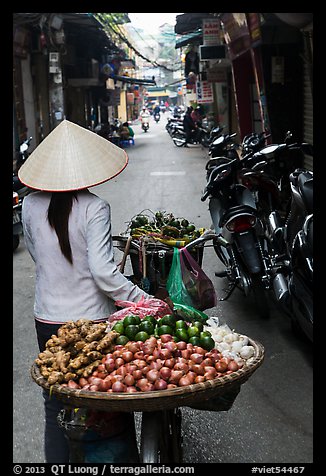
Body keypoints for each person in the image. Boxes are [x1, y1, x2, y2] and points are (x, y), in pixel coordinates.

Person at [18, 119, 170, 463]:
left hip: (48, 320)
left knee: (57, 400)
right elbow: (104, 274)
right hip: (93, 322)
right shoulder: (95, 207)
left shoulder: (29, 205)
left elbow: (37, 256)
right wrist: (144, 300)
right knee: (108, 400)